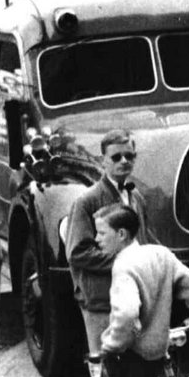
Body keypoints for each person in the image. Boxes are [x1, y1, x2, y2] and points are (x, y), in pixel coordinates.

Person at [96, 204, 189, 377]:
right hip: (159, 350)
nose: (97, 239)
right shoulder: (160, 254)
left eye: (102, 233)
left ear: (121, 234)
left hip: (132, 356)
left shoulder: (123, 266)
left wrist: (112, 344)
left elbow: (127, 314)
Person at [65, 129, 149, 361]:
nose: (124, 161)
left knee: (130, 372)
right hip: (100, 301)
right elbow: (78, 253)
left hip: (131, 297)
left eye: (129, 156)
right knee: (104, 372)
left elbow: (143, 241)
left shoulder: (137, 198)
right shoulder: (87, 201)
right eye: (116, 157)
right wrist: (127, 263)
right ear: (103, 161)